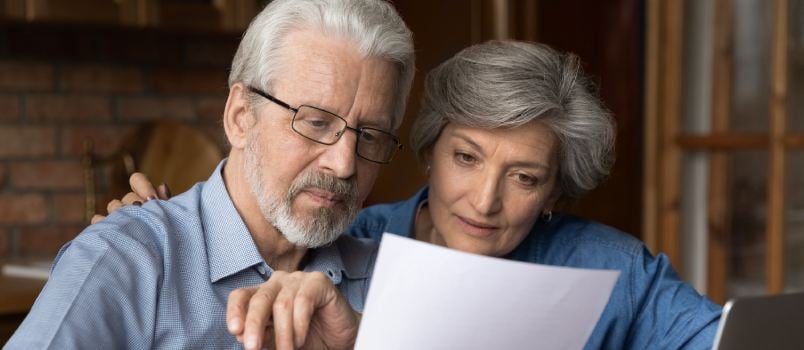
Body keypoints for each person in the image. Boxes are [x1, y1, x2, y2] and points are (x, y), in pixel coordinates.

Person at [112, 40, 723, 349]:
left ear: (554, 193)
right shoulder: (347, 243)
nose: (484, 201)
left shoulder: (616, 270)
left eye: (524, 177)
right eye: (466, 158)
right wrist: (167, 236)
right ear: (430, 150)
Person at [6, 0, 414, 349]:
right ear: (240, 116)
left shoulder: (394, 282)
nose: (344, 165)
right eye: (316, 122)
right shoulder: (125, 259)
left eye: (370, 135)